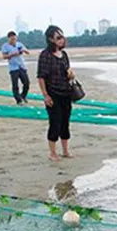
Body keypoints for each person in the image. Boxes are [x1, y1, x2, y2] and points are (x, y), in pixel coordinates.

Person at [37, 25, 75, 162]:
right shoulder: (45, 55)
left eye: (62, 37)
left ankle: (65, 150)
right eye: (58, 38)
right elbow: (41, 77)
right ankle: (52, 152)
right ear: (50, 40)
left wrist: (70, 75)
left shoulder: (64, 55)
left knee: (65, 121)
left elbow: (68, 72)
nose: (61, 40)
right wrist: (45, 95)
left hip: (66, 93)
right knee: (55, 122)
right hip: (53, 93)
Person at [1, 31, 31, 105]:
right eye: (12, 39)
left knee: (26, 83)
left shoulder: (19, 44)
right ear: (8, 39)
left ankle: (23, 96)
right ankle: (18, 100)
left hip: (21, 66)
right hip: (13, 68)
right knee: (15, 85)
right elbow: (4, 56)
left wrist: (23, 50)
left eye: (14, 39)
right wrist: (11, 54)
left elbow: (27, 52)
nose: (13, 40)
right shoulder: (5, 46)